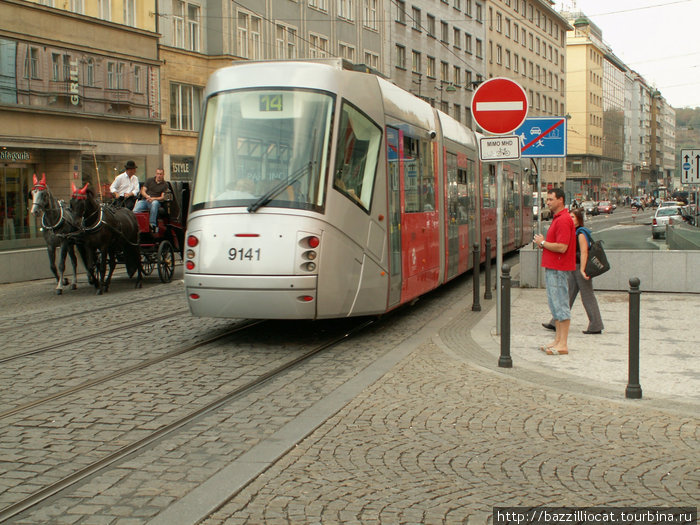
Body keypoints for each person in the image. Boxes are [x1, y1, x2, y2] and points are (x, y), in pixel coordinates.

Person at [543, 208, 604, 335]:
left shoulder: (581, 233)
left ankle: (596, 325)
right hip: (573, 266)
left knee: (587, 296)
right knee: (567, 295)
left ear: (579, 220)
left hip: (579, 267)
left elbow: (584, 252)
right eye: (569, 217)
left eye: (573, 217)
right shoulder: (574, 232)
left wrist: (582, 270)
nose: (570, 219)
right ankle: (556, 321)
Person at [533, 187, 576, 355]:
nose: (548, 202)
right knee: (555, 305)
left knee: (561, 304)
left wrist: (543, 243)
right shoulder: (558, 218)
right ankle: (558, 340)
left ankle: (563, 343)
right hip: (553, 267)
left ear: (561, 200)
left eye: (551, 199)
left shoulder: (564, 219)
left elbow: (562, 247)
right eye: (547, 199)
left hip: (559, 267)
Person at [134, 167, 169, 232]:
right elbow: (143, 191)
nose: (159, 175)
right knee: (137, 207)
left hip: (156, 201)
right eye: (158, 174)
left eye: (161, 174)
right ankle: (136, 225)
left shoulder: (165, 184)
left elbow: (162, 197)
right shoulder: (149, 180)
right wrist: (147, 197)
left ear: (163, 175)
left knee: (154, 203)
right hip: (146, 200)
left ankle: (152, 224)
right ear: (156, 174)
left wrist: (152, 198)